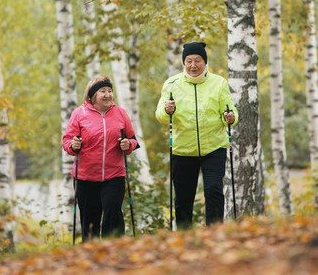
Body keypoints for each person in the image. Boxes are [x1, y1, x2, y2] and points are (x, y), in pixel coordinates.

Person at [155, 42, 238, 228]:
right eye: (189, 61)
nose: (193, 65)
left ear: (205, 62)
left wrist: (230, 117)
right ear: (183, 63)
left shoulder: (219, 83)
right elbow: (160, 114)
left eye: (198, 60)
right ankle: (185, 237)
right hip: (183, 150)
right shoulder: (172, 84)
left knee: (213, 190)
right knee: (184, 198)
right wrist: (168, 110)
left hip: (214, 148)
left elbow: (230, 113)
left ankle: (215, 233)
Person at [62, 75, 138, 240]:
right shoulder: (79, 114)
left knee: (112, 209)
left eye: (110, 91)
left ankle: (115, 249)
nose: (108, 95)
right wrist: (73, 145)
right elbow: (67, 141)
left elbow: (133, 139)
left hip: (114, 175)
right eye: (103, 91)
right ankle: (90, 255)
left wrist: (128, 144)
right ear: (92, 95)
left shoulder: (120, 114)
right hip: (86, 177)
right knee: (90, 220)